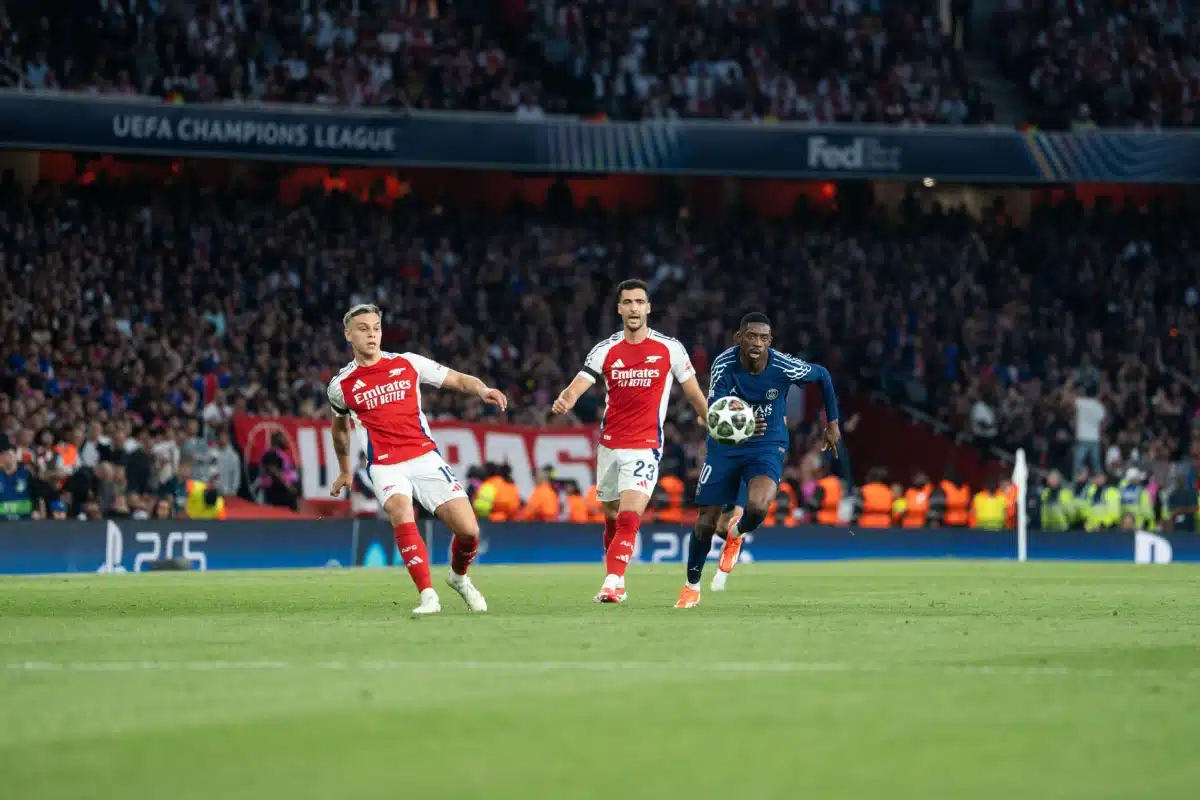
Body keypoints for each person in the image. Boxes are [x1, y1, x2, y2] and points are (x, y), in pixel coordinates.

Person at [328, 303, 508, 615]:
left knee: (469, 531)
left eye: (376, 328)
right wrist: (345, 470)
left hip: (424, 456)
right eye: (363, 329)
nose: (371, 334)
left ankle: (459, 578)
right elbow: (340, 430)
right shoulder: (340, 386)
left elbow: (456, 379)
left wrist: (482, 389)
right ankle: (428, 595)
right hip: (385, 464)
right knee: (400, 510)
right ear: (348, 334)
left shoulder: (408, 363)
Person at [551, 279, 709, 604]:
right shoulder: (605, 349)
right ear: (619, 308)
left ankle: (612, 582)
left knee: (628, 516)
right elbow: (580, 382)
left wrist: (706, 415)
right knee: (611, 516)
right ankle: (617, 579)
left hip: (646, 445)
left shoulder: (669, 348)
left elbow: (691, 389)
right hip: (609, 445)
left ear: (648, 307)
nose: (634, 308)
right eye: (628, 302)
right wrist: (566, 399)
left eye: (640, 302)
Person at [678, 312, 842, 607]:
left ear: (770, 341)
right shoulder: (724, 364)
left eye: (763, 338)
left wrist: (832, 423)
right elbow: (715, 408)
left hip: (767, 444)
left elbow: (823, 376)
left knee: (757, 506)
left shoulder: (783, 365)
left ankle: (736, 533)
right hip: (726, 443)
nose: (757, 343)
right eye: (751, 336)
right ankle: (691, 586)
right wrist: (744, 419)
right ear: (738, 338)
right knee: (705, 522)